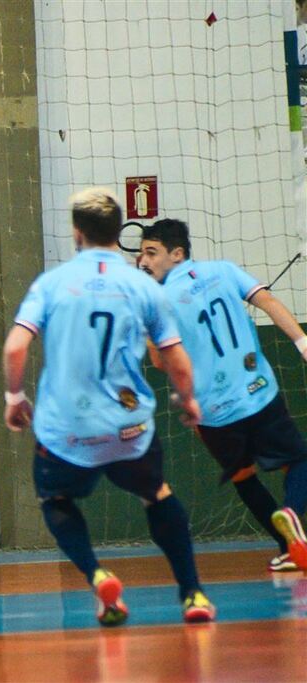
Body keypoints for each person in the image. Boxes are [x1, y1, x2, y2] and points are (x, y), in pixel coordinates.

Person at [3, 188, 216, 626]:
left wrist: (15, 397)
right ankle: (193, 594)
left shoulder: (52, 284)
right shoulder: (142, 285)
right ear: (119, 233)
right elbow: (175, 357)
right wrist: (190, 399)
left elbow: (15, 348)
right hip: (129, 427)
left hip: (67, 429)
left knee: (55, 498)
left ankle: (99, 576)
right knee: (156, 494)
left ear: (76, 233)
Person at [139, 218, 307, 571]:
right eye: (142, 254)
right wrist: (302, 341)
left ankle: (288, 547)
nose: (144, 261)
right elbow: (267, 301)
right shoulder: (225, 270)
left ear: (178, 253)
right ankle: (290, 512)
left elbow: (159, 362)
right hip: (258, 392)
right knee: (300, 461)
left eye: (152, 253)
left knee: (243, 476)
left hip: (213, 410)